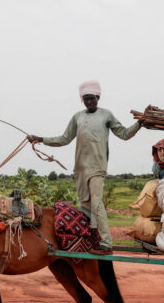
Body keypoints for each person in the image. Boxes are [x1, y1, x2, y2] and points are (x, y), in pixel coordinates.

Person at [27, 80, 142, 254]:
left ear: (98, 97)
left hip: (97, 167)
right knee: (85, 205)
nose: (89, 102)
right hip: (80, 168)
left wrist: (140, 123)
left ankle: (106, 243)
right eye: (86, 99)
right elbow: (64, 139)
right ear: (82, 99)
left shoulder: (106, 115)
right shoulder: (77, 117)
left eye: (92, 98)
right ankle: (92, 238)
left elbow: (124, 134)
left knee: (96, 203)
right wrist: (41, 139)